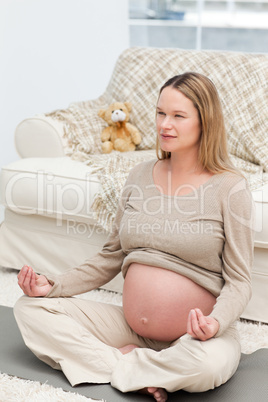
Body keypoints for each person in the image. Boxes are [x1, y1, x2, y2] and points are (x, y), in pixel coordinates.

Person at [14, 72, 255, 402]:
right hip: (130, 329)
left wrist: (215, 323)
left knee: (207, 366)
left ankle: (122, 365)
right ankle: (137, 368)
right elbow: (110, 256)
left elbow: (240, 280)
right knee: (30, 309)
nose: (164, 125)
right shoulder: (140, 175)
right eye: (160, 113)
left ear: (205, 122)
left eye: (178, 116)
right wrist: (53, 285)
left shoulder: (230, 187)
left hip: (195, 337)